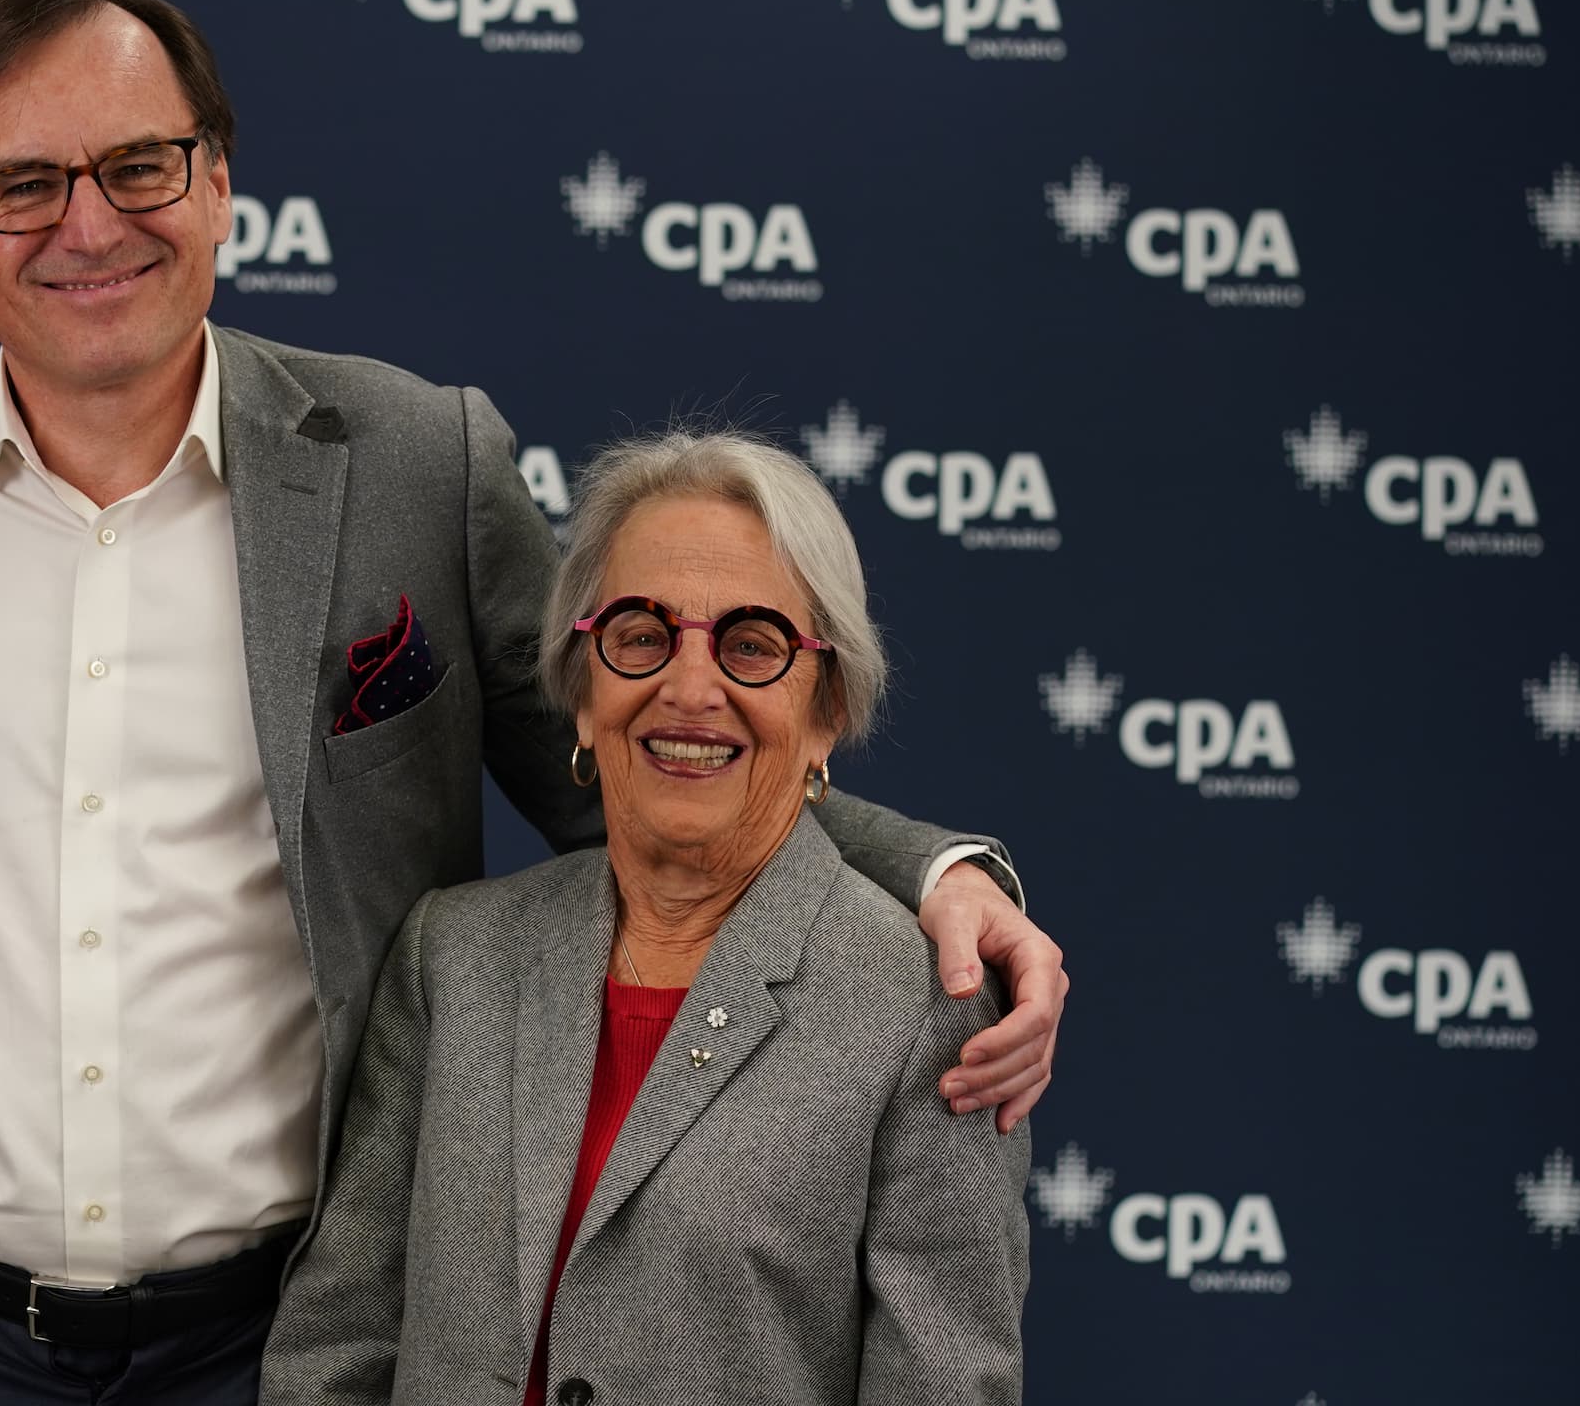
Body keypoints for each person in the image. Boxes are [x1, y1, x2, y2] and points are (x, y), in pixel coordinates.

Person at [0, 0, 1063, 1404]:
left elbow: (628, 742)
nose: (91, 224)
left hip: (276, 1338)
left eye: (139, 165)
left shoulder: (415, 462)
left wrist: (930, 876)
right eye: (25, 185)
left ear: (220, 183)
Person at [258, 429, 1031, 1406]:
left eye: (753, 644)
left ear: (827, 707)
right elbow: (337, 1342)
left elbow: (943, 1382)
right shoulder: (451, 957)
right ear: (582, 690)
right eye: (640, 633)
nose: (690, 686)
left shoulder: (925, 1008)